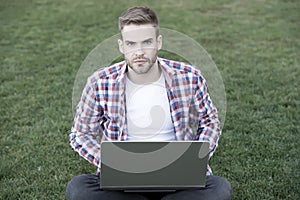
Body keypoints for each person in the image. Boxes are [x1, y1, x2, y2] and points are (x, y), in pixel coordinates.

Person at [66, 6, 232, 200]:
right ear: (122, 46)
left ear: (158, 42)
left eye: (146, 42)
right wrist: (109, 162)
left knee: (219, 189)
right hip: (123, 179)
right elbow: (80, 133)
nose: (139, 52)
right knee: (78, 189)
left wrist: (195, 158)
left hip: (179, 177)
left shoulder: (189, 76)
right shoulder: (100, 82)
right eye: (131, 44)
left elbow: (209, 122)